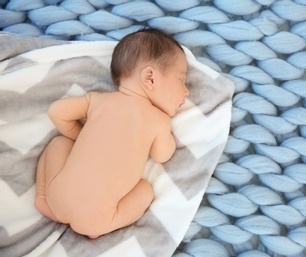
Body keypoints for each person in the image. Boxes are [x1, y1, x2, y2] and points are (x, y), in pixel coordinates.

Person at [34, 28, 190, 239]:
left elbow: (57, 111)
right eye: (181, 80)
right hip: (96, 220)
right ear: (150, 78)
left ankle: (42, 197)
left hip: (58, 198)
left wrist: (80, 136)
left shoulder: (98, 100)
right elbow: (163, 155)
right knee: (145, 191)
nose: (187, 91)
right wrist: (166, 130)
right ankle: (103, 227)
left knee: (59, 142)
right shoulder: (158, 120)